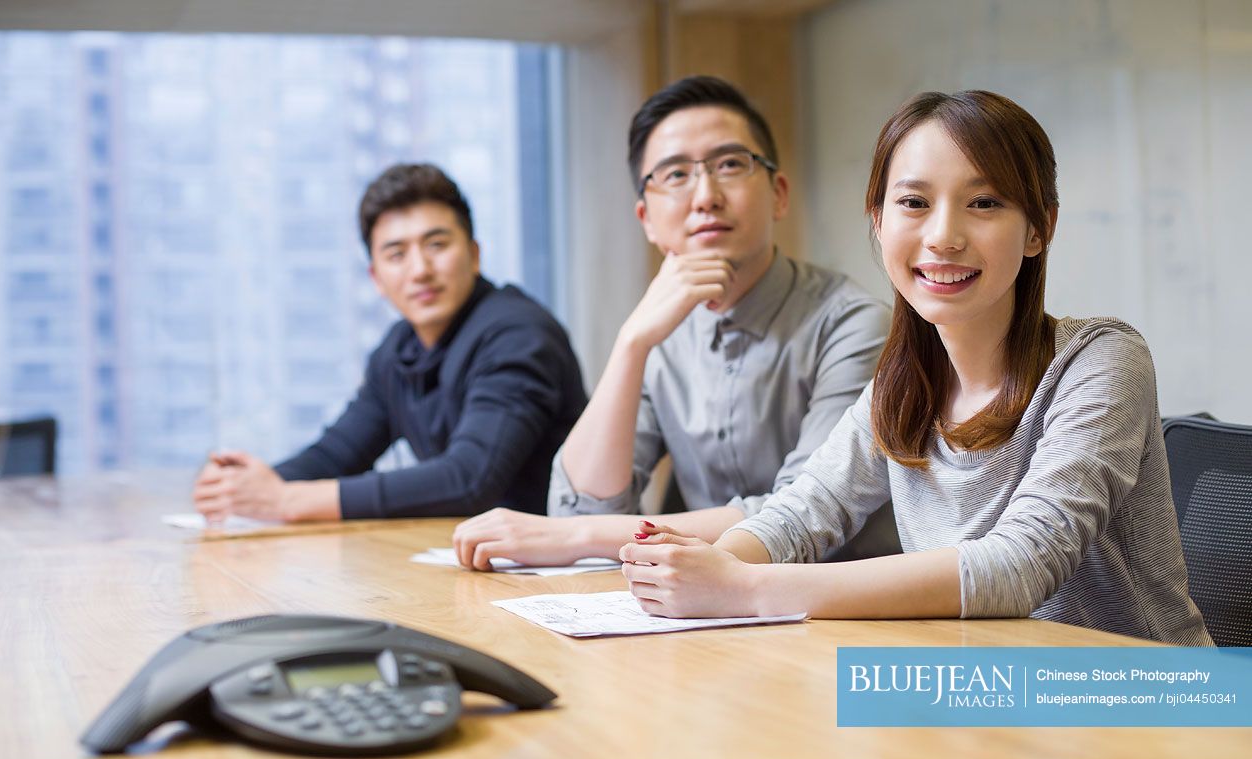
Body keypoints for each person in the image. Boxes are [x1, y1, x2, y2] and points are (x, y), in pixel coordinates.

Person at [617, 90, 1212, 646]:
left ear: (1038, 229)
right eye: (913, 203)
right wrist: (715, 566)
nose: (943, 235)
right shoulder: (902, 389)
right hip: (993, 696)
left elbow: (1020, 564)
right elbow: (804, 511)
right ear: (879, 222)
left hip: (1152, 700)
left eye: (984, 203)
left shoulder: (1102, 360)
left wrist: (743, 589)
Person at [452, 76, 892, 570]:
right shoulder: (660, 331)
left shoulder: (855, 324)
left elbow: (802, 517)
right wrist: (632, 343)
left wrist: (575, 536)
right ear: (647, 218)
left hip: (844, 613)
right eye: (675, 175)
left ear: (778, 194)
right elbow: (585, 502)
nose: (705, 195)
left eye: (729, 164)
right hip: (708, 612)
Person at [192, 163, 587, 523]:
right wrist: (246, 486)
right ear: (376, 278)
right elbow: (338, 453)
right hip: (473, 561)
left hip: (562, 574)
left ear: (474, 254)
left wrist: (287, 501)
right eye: (396, 254)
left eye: (436, 245)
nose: (419, 270)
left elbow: (468, 478)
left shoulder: (519, 333)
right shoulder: (400, 349)